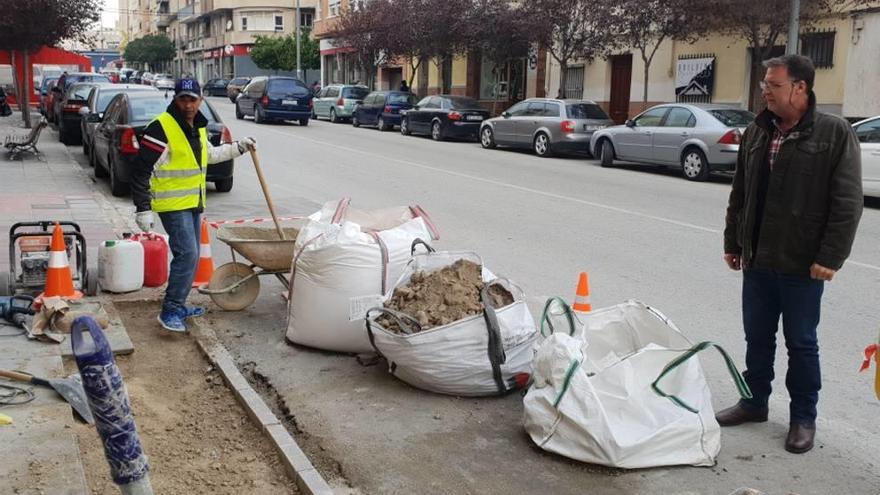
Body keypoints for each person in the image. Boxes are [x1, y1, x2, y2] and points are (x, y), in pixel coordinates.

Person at [720, 54, 862, 454]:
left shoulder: (833, 133)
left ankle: (803, 418)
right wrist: (734, 243)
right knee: (757, 338)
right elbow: (741, 194)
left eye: (773, 85)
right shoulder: (757, 131)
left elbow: (847, 203)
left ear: (800, 88)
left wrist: (830, 257)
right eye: (765, 83)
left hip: (803, 263)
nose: (765, 90)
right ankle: (754, 402)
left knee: (801, 343)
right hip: (758, 259)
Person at [130, 78, 257, 333]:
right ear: (175, 100)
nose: (188, 105)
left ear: (200, 100)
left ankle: (178, 305)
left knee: (191, 257)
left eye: (193, 99)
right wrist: (143, 207)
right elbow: (140, 170)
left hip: (193, 202)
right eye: (183, 99)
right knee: (187, 255)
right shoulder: (161, 128)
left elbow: (209, 156)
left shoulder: (197, 126)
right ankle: (170, 310)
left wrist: (239, 148)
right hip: (172, 205)